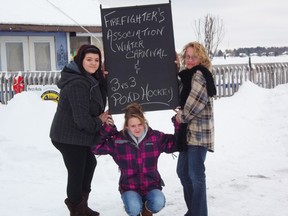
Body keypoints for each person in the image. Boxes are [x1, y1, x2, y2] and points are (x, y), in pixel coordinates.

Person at [50, 44, 109, 216]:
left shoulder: (91, 79)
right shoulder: (77, 83)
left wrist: (105, 79)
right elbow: (83, 121)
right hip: (67, 136)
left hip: (79, 135)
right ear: (80, 60)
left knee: (90, 164)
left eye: (96, 60)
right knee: (77, 171)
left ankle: (82, 206)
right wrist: (101, 119)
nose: (93, 63)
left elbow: (99, 97)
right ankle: (77, 211)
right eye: (89, 59)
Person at [91, 103, 179, 216]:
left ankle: (147, 210)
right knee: (133, 208)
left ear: (144, 123)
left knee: (158, 202)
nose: (137, 129)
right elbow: (96, 148)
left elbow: (175, 144)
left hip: (151, 185)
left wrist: (178, 122)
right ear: (127, 126)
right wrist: (108, 129)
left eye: (140, 124)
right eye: (133, 126)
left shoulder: (155, 137)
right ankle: (136, 211)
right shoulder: (118, 141)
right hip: (129, 187)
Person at [175, 42, 216, 216]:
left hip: (198, 134)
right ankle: (194, 211)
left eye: (194, 56)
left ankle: (198, 213)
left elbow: (196, 103)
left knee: (195, 175)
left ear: (201, 58)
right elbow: (180, 96)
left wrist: (181, 116)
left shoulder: (200, 74)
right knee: (183, 171)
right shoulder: (188, 76)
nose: (190, 60)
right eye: (187, 56)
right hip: (188, 134)